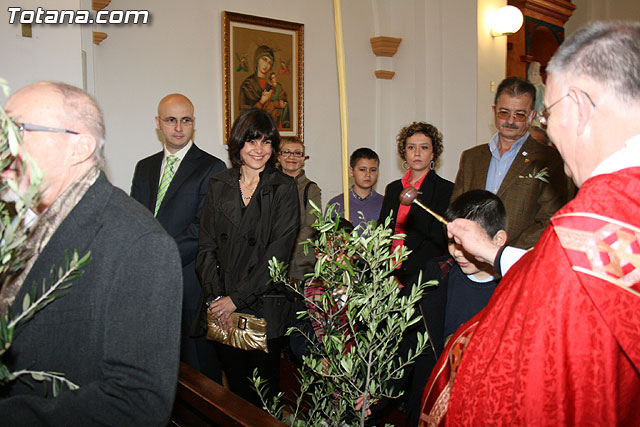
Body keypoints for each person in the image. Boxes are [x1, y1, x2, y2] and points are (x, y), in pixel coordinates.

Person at [421, 21, 640, 425]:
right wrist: (491, 251)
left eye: (546, 116)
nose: (548, 134)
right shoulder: (624, 202)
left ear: (577, 107)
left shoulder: (595, 216)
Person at [0, 82, 182, 425]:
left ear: (79, 147)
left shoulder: (140, 244)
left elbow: (136, 403)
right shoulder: (16, 218)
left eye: (18, 130)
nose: (3, 145)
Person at [195, 108, 299, 405]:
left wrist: (235, 300)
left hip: (263, 305)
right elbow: (206, 246)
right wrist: (216, 300)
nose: (259, 150)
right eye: (252, 141)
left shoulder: (283, 188)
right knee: (236, 395)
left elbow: (277, 255)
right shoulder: (219, 184)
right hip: (222, 308)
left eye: (266, 142)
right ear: (238, 144)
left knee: (264, 399)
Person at [389, 190, 507, 427]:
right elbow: (404, 340)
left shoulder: (512, 290)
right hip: (427, 402)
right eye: (452, 241)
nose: (456, 251)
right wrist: (379, 391)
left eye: (467, 243)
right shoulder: (436, 275)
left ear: (498, 240)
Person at [130, 93, 226, 382]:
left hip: (190, 282)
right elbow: (136, 219)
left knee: (198, 372)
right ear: (158, 123)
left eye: (185, 120)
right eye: (171, 120)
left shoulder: (212, 168)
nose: (178, 127)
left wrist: (161, 255)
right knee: (157, 365)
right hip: (150, 282)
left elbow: (202, 228)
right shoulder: (144, 167)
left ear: (193, 123)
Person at [451, 76, 569, 249]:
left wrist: (502, 255)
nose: (511, 121)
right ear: (494, 112)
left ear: (532, 116)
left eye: (520, 115)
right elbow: (456, 211)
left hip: (518, 261)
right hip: (470, 258)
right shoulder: (471, 158)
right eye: (504, 112)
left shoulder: (550, 160)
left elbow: (550, 219)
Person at [378, 122, 453, 287]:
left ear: (433, 153)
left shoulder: (444, 189)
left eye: (424, 148)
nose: (417, 153)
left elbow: (437, 239)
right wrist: (384, 272)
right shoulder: (393, 188)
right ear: (404, 152)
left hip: (421, 276)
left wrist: (404, 276)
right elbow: (382, 232)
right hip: (386, 275)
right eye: (411, 147)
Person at [277, 137, 321, 283]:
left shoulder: (311, 189)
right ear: (278, 156)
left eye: (297, 153)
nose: (292, 157)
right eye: (287, 152)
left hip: (300, 262)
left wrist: (286, 246)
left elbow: (311, 226)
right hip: (272, 259)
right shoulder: (268, 186)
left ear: (303, 159)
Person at [327, 147, 383, 229]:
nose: (368, 174)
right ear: (351, 171)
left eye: (373, 170)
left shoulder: (384, 203)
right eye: (362, 170)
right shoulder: (336, 205)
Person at [239, 45, 290, 131]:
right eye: (264, 60)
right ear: (257, 59)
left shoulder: (271, 86)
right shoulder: (248, 85)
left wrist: (281, 105)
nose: (266, 65)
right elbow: (244, 116)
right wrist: (262, 102)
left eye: (270, 63)